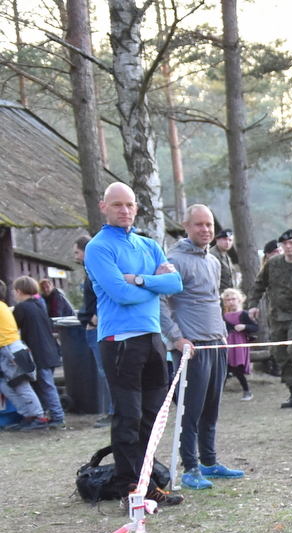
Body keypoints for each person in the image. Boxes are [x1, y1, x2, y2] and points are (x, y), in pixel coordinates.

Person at [84, 182, 185, 507]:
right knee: (128, 417)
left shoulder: (148, 244)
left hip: (153, 339)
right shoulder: (98, 247)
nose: (124, 210)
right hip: (120, 342)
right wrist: (155, 283)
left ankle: (146, 482)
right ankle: (131, 488)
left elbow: (176, 283)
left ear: (136, 208)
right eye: (117, 205)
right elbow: (120, 294)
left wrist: (140, 279)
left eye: (129, 205)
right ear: (104, 207)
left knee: (151, 418)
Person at [162, 204, 245, 491]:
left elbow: (212, 301)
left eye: (209, 224)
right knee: (191, 411)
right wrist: (176, 338)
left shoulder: (214, 261)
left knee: (211, 408)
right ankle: (190, 467)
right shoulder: (174, 260)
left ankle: (209, 461)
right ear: (186, 226)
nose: (205, 229)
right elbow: (160, 303)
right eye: (198, 224)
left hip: (216, 344)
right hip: (191, 348)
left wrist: (222, 335)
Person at [246, 229, 292, 408]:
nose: (288, 247)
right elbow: (259, 284)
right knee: (280, 354)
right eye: (285, 244)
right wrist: (253, 304)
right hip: (276, 316)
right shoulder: (273, 264)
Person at [10, 276, 65, 429]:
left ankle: (57, 416)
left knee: (46, 386)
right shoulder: (39, 304)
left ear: (19, 291)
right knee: (44, 385)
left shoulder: (21, 308)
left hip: (39, 353)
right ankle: (50, 414)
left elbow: (14, 327)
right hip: (50, 350)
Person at [73, 235, 113, 426]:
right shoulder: (90, 270)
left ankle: (114, 411)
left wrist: (94, 320)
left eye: (77, 252)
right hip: (92, 325)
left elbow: (104, 294)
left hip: (96, 326)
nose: (76, 257)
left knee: (106, 370)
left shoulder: (96, 270)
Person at [0, 283, 49, 431]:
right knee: (6, 385)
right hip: (7, 349)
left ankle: (39, 417)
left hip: (10, 349)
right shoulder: (4, 306)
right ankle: (28, 415)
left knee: (20, 385)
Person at [222, 288, 257, 400]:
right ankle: (216, 395)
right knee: (225, 368)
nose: (231, 302)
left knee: (237, 367)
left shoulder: (244, 314)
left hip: (239, 343)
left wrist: (244, 327)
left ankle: (247, 391)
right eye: (228, 300)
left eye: (233, 299)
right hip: (228, 343)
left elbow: (255, 327)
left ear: (239, 300)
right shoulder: (225, 316)